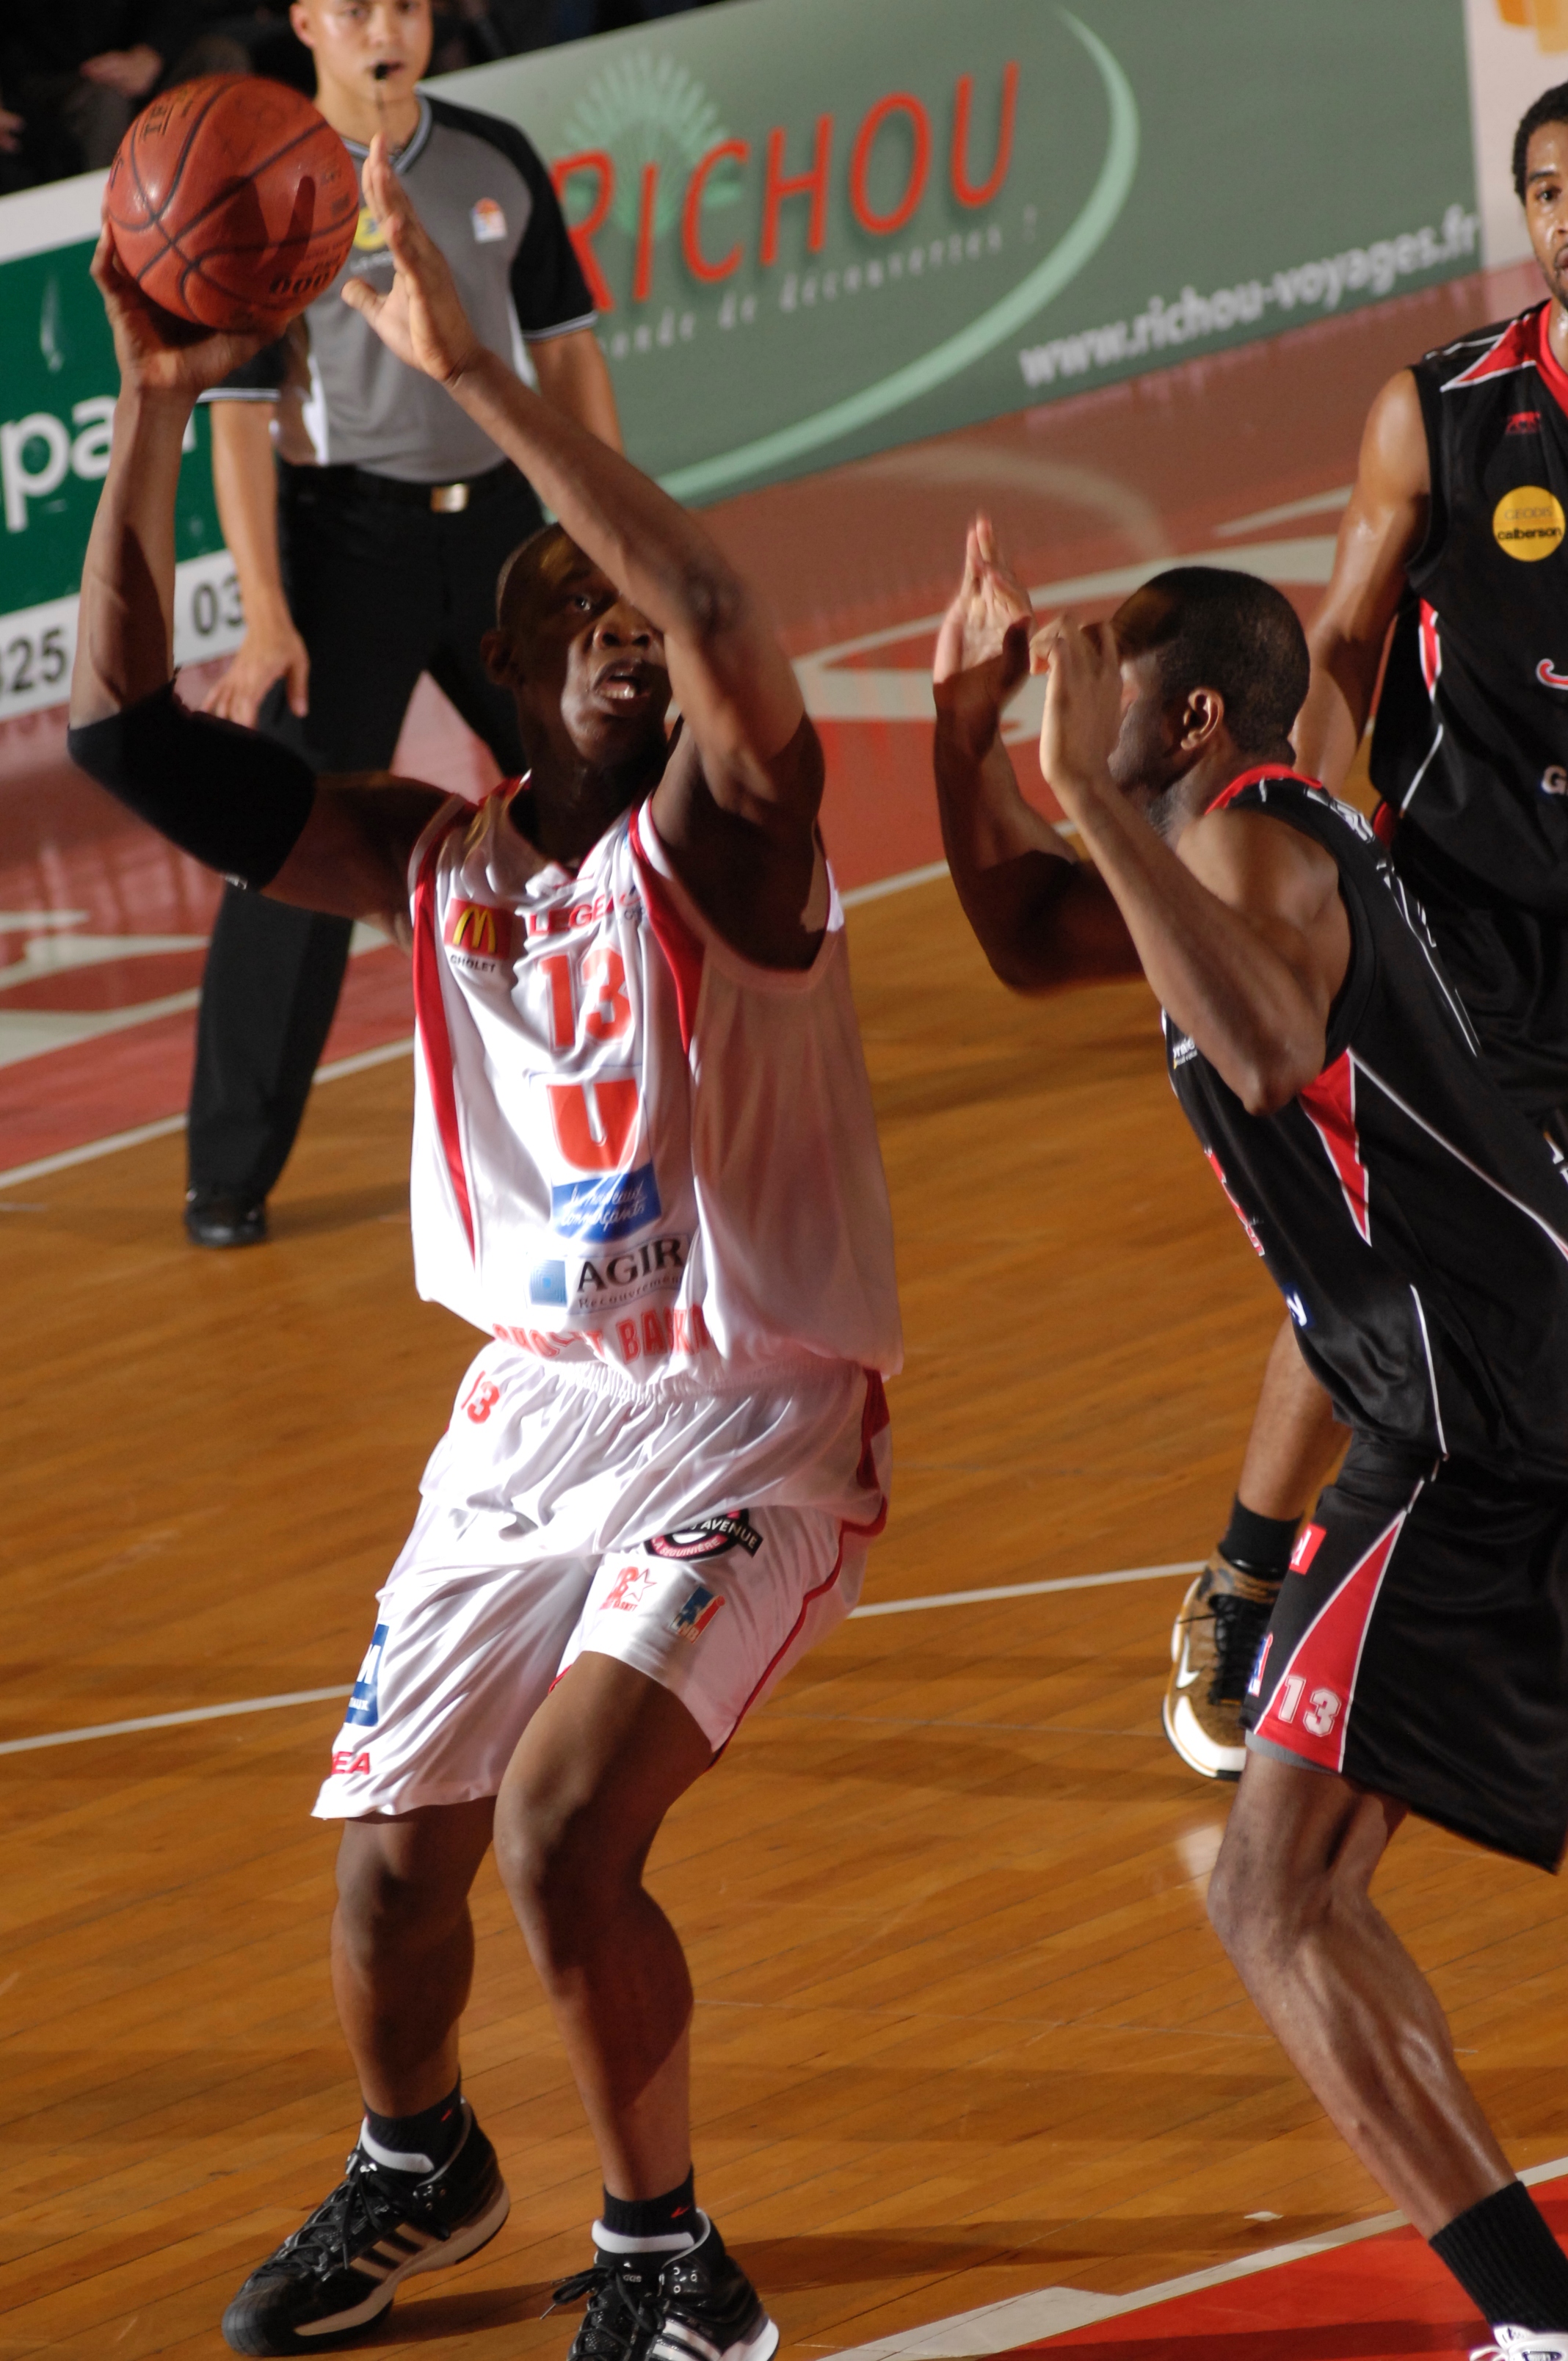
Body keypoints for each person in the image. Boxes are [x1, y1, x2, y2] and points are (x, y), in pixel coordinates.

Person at [68, 134, 899, 2361]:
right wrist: (155, 402)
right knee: (385, 1877)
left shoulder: (730, 848)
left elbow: (724, 630)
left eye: (643, 626)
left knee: (556, 1838)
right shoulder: (426, 861)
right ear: (518, 687)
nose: (633, 647)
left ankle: (671, 2269)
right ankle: (422, 2161)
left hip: (753, 1419)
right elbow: (120, 726)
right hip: (529, 1415)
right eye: (583, 632)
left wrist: (488, 376)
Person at [931, 523, 1568, 2355]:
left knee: (1278, 1894)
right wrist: (967, 737)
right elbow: (1024, 935)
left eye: (1108, 674)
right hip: (1468, 1389)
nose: (1087, 695)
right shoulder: (1216, 852)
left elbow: (1274, 1039)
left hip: (1469, 1408)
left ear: (1192, 710)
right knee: (1301, 1889)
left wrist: (1063, 778)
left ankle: (1538, 2324)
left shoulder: (1260, 835)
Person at [1163, 79, 1568, 1783]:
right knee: (1403, 1263)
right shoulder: (1444, 413)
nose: (1566, 213)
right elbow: (1336, 642)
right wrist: (1301, 826)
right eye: (1544, 188)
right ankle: (1249, 1583)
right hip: (1471, 921)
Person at [187, 0, 619, 1250]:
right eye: (361, 5)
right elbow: (234, 420)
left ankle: (673, 1052)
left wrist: (603, 529)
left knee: (612, 793)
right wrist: (267, 615)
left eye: (411, 4)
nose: (391, 25)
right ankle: (229, 1169)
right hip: (345, 545)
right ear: (308, 21)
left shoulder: (494, 158)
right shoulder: (268, 193)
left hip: (498, 530)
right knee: (294, 847)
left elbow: (569, 351)